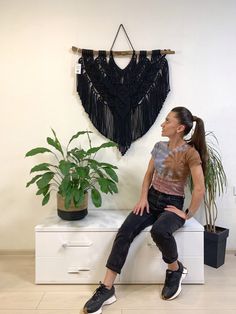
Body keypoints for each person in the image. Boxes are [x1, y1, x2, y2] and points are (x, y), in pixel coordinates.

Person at [83, 106, 207, 314]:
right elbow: (148, 175)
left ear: (180, 128)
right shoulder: (159, 146)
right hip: (151, 199)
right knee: (125, 232)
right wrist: (143, 198)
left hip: (172, 204)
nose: (162, 124)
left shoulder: (190, 154)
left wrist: (186, 214)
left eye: (167, 121)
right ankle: (106, 288)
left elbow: (200, 187)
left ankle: (175, 270)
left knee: (159, 231)